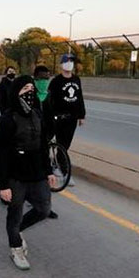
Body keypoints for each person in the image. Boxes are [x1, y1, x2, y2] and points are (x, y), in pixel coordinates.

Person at [0, 75, 57, 270]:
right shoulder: (7, 119)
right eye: (24, 89)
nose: (29, 92)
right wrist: (3, 184)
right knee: (15, 213)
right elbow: (0, 154)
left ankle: (17, 231)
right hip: (15, 176)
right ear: (16, 93)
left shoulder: (37, 115)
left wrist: (49, 171)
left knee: (44, 209)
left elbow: (43, 147)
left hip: (37, 173)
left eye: (31, 88)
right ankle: (16, 248)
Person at [47, 54, 86, 186]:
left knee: (66, 145)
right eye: (67, 61)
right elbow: (50, 100)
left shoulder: (76, 79)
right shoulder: (56, 81)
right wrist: (50, 115)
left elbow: (79, 97)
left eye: (71, 62)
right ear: (62, 64)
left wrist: (82, 115)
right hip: (59, 118)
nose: (69, 64)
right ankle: (64, 171)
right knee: (61, 144)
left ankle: (57, 165)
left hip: (72, 118)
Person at [32, 65, 59, 219]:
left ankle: (46, 207)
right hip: (31, 138)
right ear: (35, 78)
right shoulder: (29, 94)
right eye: (41, 78)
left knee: (44, 173)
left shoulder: (49, 94)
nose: (44, 81)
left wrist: (52, 130)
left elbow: (52, 113)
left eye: (47, 78)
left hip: (45, 137)